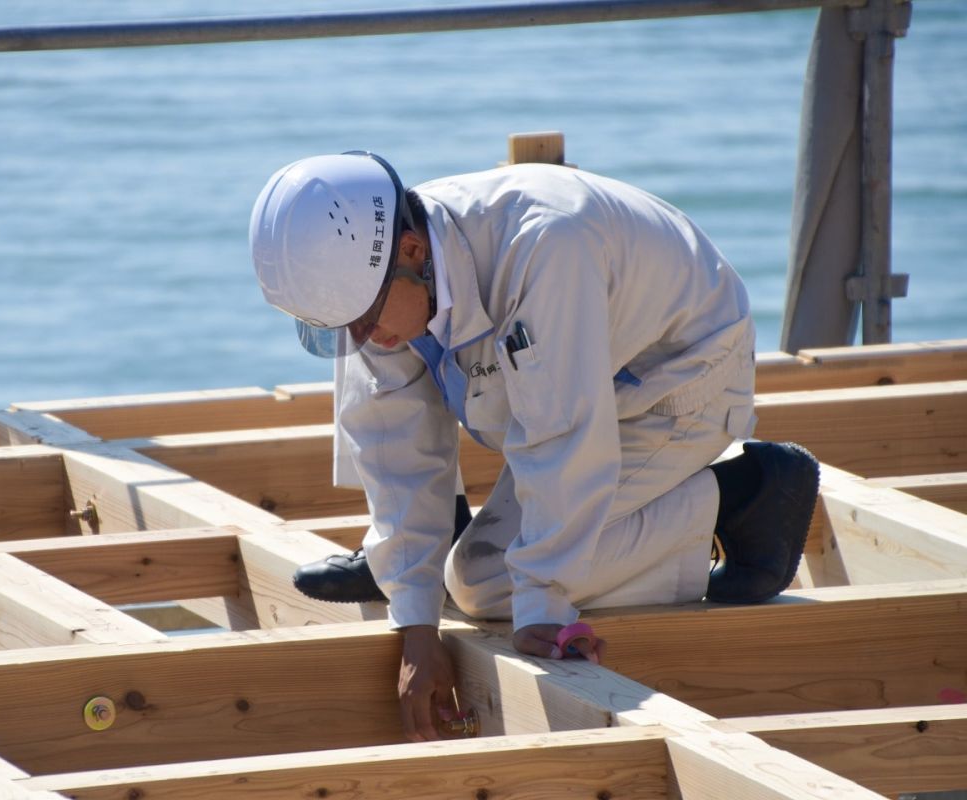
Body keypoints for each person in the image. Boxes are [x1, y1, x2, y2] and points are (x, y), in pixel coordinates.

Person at [248, 151, 819, 743]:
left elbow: (565, 438)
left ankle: (741, 498)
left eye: (363, 319)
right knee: (457, 571)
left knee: (484, 585)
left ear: (413, 252)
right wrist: (414, 621)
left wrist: (543, 603)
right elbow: (395, 445)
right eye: (337, 325)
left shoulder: (547, 250)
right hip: (582, 388)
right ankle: (432, 550)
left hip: (677, 384)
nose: (360, 338)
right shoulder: (374, 275)